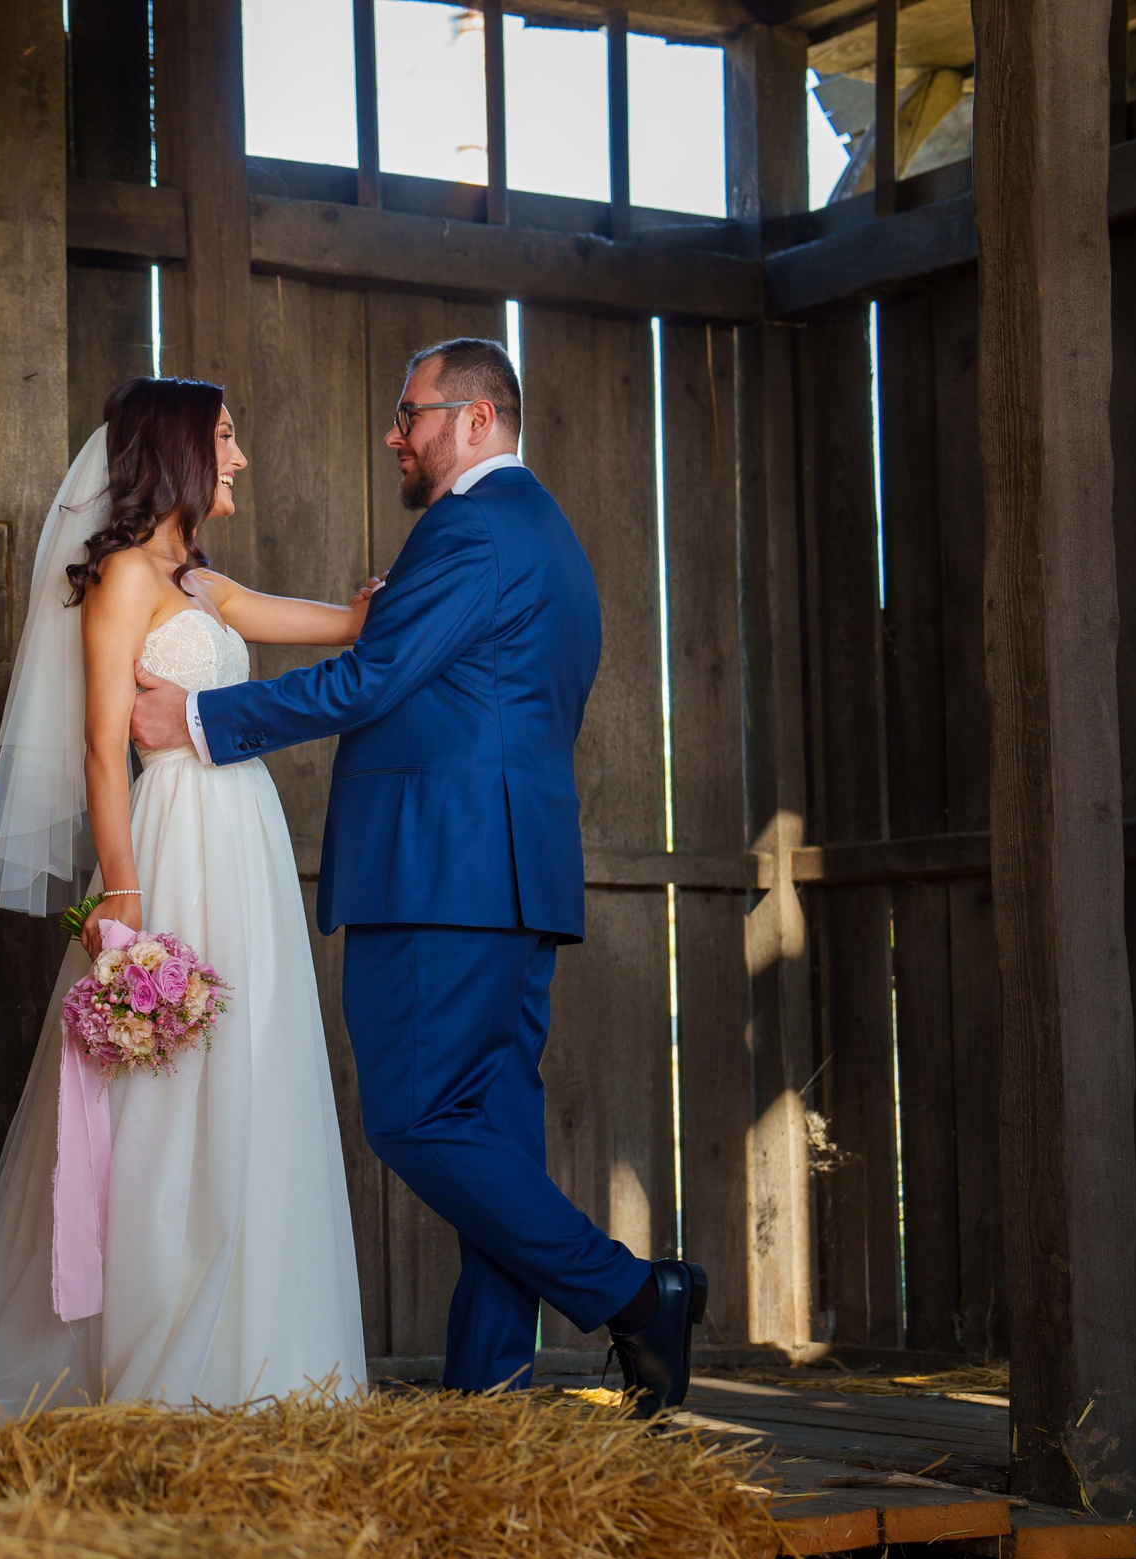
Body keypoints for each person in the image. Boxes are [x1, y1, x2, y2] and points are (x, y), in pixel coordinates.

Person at [128, 338, 707, 1415]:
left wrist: (200, 717)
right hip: (510, 877)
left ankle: (636, 1295)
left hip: (443, 874)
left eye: (412, 413)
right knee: (492, 1140)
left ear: (476, 420)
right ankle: (488, 1403)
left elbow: (373, 678)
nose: (395, 434)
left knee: (414, 1118)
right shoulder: (540, 531)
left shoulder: (472, 528)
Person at [0, 376, 376, 1422]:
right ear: (177, 448)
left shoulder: (201, 583)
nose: (240, 457)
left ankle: (257, 1352)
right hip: (173, 836)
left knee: (249, 1059)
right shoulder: (123, 577)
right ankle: (152, 1338)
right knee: (164, 1084)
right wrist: (121, 898)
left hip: (245, 836)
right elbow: (99, 748)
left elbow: (332, 627)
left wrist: (381, 608)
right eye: (225, 437)